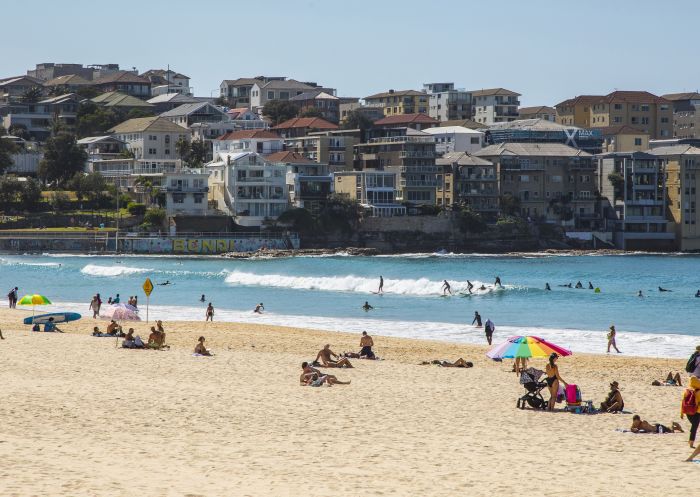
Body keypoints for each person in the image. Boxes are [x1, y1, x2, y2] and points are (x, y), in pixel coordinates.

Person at [681, 376, 700, 449]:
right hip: (697, 412)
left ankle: (691, 441)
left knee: (694, 426)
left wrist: (682, 413)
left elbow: (683, 402)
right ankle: (691, 442)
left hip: (687, 411)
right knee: (694, 426)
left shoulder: (687, 391)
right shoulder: (698, 392)